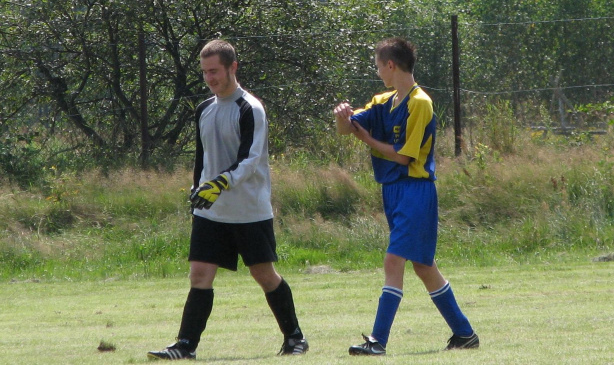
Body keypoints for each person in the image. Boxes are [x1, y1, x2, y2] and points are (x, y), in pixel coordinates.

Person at [148, 39, 308, 360]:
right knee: (200, 275)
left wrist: (220, 183)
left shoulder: (251, 108)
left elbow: (250, 160)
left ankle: (295, 338)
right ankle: (185, 347)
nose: (210, 78)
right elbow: (202, 159)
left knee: (263, 275)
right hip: (212, 211)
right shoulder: (204, 109)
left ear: (233, 67)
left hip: (249, 210)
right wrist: (198, 191)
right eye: (205, 73)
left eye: (215, 71)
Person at [333, 37, 479, 356]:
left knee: (393, 260)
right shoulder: (383, 100)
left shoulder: (420, 103)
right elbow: (348, 130)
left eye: (378, 67)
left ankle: (378, 341)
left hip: (415, 190)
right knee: (424, 267)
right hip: (394, 192)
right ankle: (465, 334)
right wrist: (342, 116)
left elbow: (403, 157)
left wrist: (368, 139)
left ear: (390, 65)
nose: (377, 73)